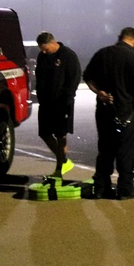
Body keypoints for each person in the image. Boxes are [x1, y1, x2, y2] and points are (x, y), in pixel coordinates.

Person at [83, 27, 134, 200]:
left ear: (119, 37)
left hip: (104, 111)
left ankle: (101, 187)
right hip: (126, 112)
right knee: (126, 151)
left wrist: (99, 92)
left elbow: (87, 77)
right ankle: (125, 188)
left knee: (105, 149)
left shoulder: (102, 54)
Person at [34, 32, 81, 177]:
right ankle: (64, 160)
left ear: (53, 43)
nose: (43, 52)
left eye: (45, 49)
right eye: (41, 49)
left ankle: (59, 170)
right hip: (45, 103)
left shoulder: (68, 55)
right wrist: (40, 95)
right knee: (44, 133)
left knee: (61, 135)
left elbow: (74, 78)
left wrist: (67, 97)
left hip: (62, 103)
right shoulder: (42, 56)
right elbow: (39, 76)